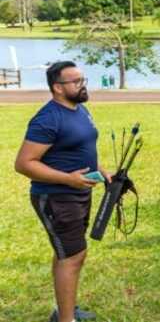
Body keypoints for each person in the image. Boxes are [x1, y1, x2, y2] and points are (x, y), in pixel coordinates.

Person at [14, 61, 112, 322]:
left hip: (78, 191)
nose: (83, 85)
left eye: (83, 80)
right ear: (57, 88)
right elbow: (24, 164)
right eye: (76, 81)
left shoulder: (80, 109)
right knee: (73, 255)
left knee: (66, 254)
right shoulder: (47, 119)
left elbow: (80, 146)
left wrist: (101, 170)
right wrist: (68, 179)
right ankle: (66, 319)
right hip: (56, 197)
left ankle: (65, 310)